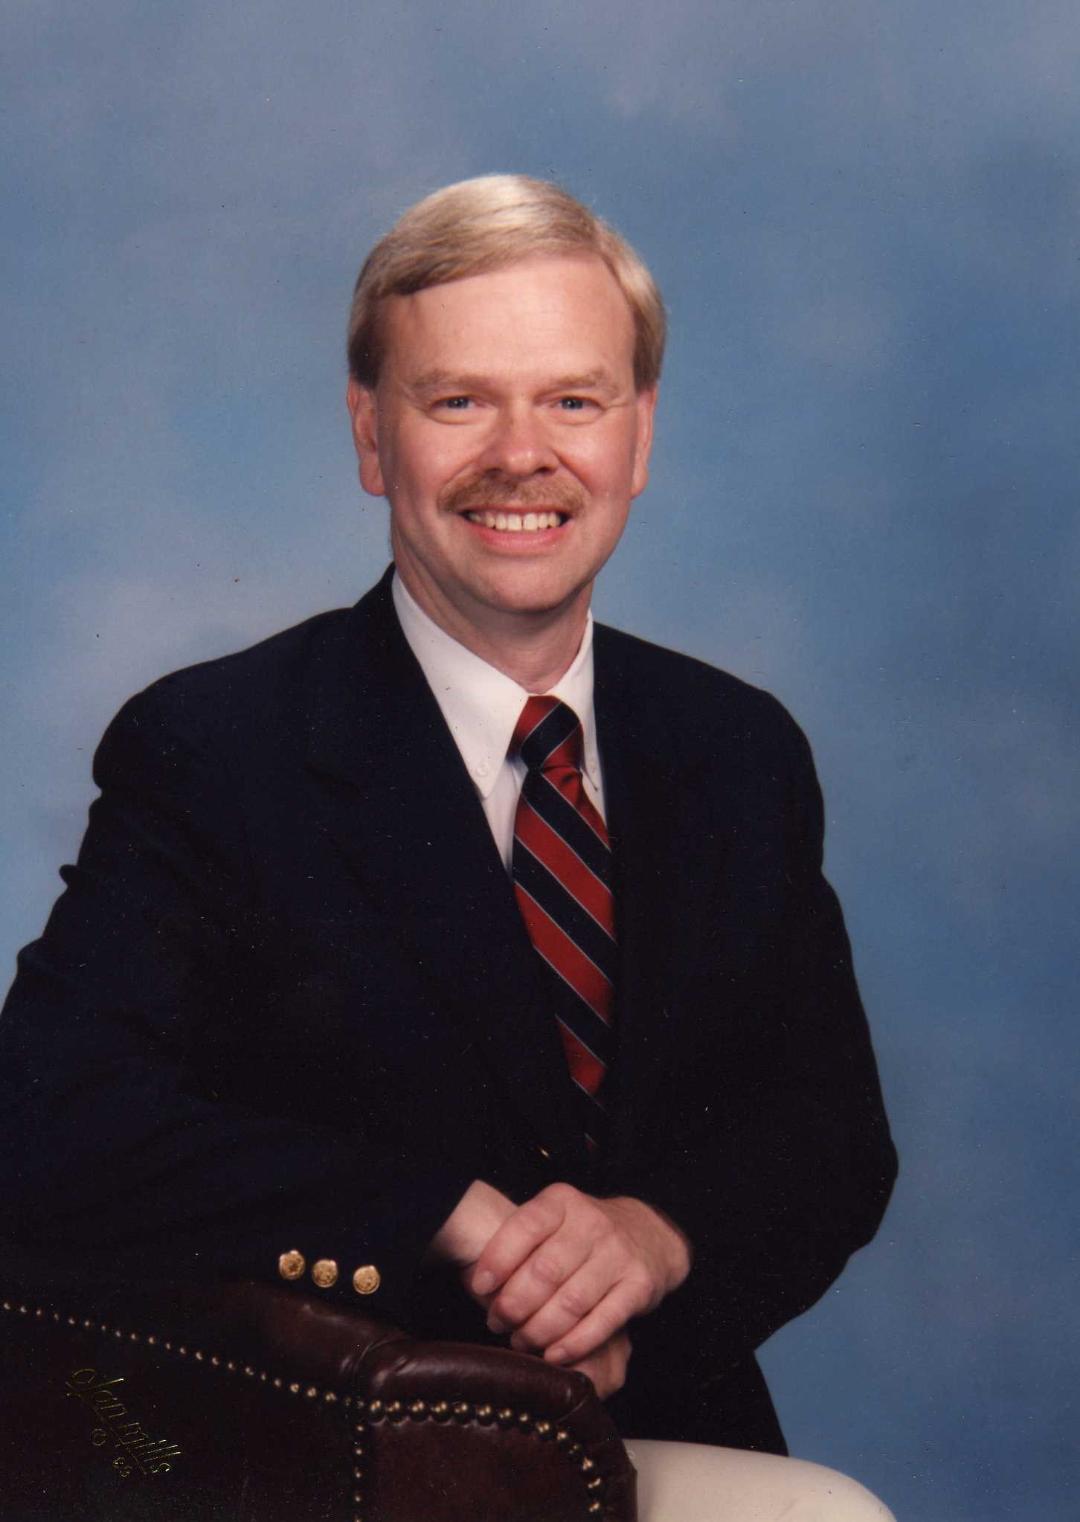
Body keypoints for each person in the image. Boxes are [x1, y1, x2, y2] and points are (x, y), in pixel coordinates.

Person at [0, 176, 897, 1515]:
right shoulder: (216, 748)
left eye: (574, 400)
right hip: (328, 1451)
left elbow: (830, 1133)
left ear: (641, 434)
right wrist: (445, 1214)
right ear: (373, 435)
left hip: (648, 1419)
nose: (522, 455)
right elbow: (47, 1121)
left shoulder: (737, 748)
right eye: (460, 400)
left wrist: (650, 1248)